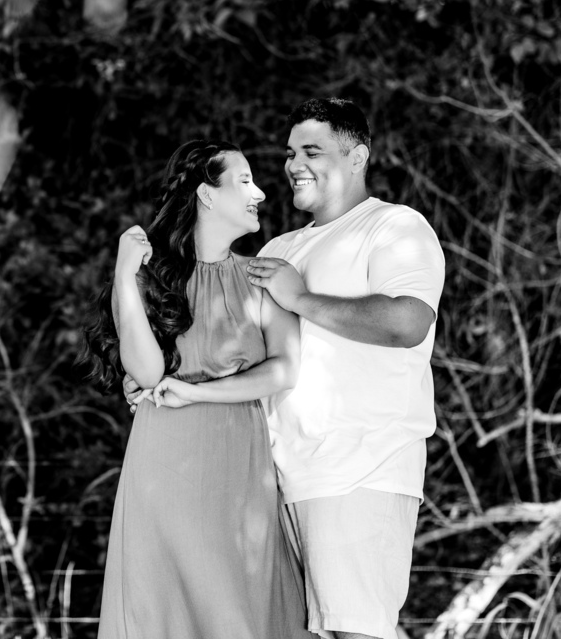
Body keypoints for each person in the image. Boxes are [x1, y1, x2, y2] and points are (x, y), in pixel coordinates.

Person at [82, 139, 313, 639]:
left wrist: (199, 393)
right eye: (244, 180)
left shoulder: (261, 279)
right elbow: (144, 375)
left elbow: (285, 371)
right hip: (164, 464)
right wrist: (124, 276)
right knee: (165, 604)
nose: (261, 193)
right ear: (207, 195)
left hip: (239, 465)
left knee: (240, 605)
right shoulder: (152, 279)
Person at [241, 99, 445, 639]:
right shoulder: (279, 248)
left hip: (362, 468)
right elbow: (239, 351)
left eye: (312, 150)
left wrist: (302, 298)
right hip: (279, 478)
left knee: (359, 632)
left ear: (357, 157)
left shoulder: (394, 226)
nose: (293, 164)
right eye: (289, 153)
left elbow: (407, 322)